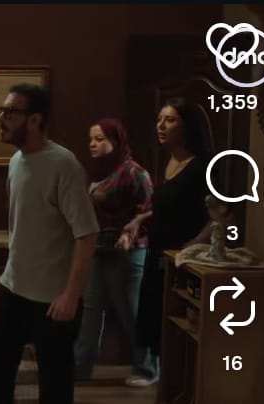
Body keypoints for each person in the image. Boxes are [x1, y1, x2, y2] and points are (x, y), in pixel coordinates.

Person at [0, 83, 99, 404]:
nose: (0, 119)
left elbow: (87, 235)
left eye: (9, 112)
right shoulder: (16, 161)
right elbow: (22, 229)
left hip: (53, 300)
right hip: (14, 288)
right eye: (1, 111)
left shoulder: (64, 165)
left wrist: (71, 296)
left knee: (55, 385)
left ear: (35, 119)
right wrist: (7, 273)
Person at [126, 97, 211, 387]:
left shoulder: (202, 165)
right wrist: (141, 218)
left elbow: (219, 216)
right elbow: (170, 206)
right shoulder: (167, 160)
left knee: (175, 322)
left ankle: (177, 384)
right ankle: (161, 380)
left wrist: (189, 248)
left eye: (170, 120)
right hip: (157, 252)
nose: (161, 126)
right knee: (154, 317)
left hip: (182, 258)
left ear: (186, 126)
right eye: (160, 119)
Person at [74, 119, 157, 382]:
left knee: (131, 312)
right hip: (99, 249)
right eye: (91, 139)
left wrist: (130, 232)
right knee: (91, 310)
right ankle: (80, 367)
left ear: (116, 141)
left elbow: (151, 210)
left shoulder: (134, 172)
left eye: (100, 139)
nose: (93, 144)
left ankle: (148, 369)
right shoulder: (98, 172)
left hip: (127, 252)